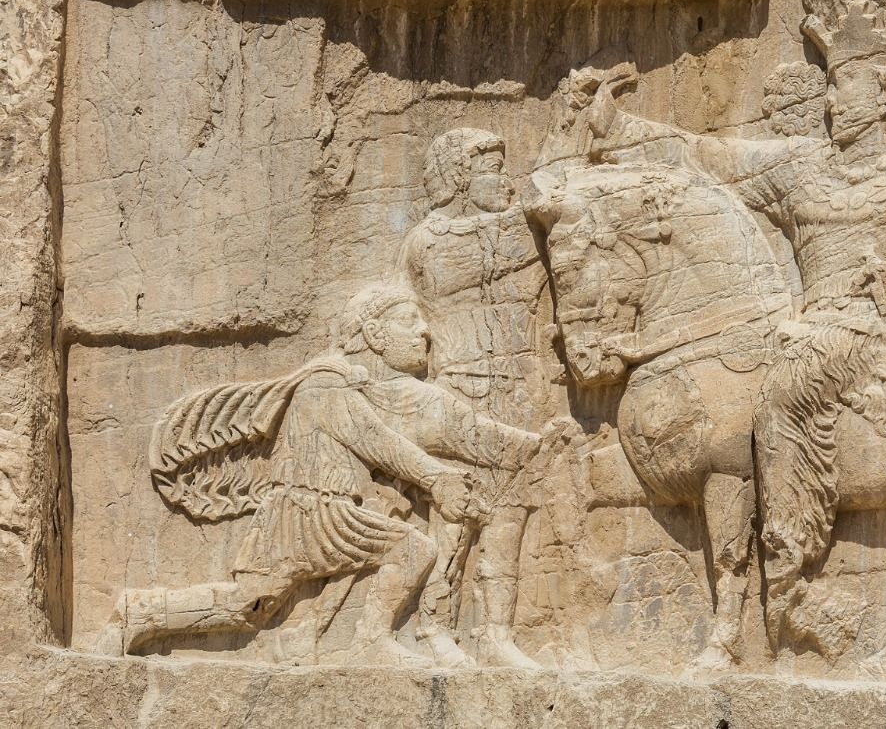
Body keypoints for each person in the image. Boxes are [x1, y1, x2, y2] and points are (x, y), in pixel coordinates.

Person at [574, 55, 886, 633]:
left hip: (869, 323)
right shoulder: (800, 166)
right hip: (799, 324)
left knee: (783, 393)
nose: (830, 104)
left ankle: (790, 573)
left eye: (844, 92)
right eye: (827, 94)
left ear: (883, 100)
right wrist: (620, 128)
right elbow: (708, 157)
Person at [100, 285, 475, 666]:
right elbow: (377, 442)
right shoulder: (328, 382)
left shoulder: (345, 383)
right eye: (409, 320)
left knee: (246, 606)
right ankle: (370, 641)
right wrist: (436, 477)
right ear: (374, 335)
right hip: (316, 515)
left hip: (301, 514)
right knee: (412, 549)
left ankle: (142, 612)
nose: (424, 331)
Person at [398, 128, 561, 667]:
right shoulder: (431, 240)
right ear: (460, 177)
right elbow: (481, 263)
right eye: (491, 167)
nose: (503, 179)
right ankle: (434, 627)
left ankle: (495, 633)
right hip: (459, 385)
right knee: (456, 509)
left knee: (512, 509)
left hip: (520, 386)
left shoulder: (518, 234)